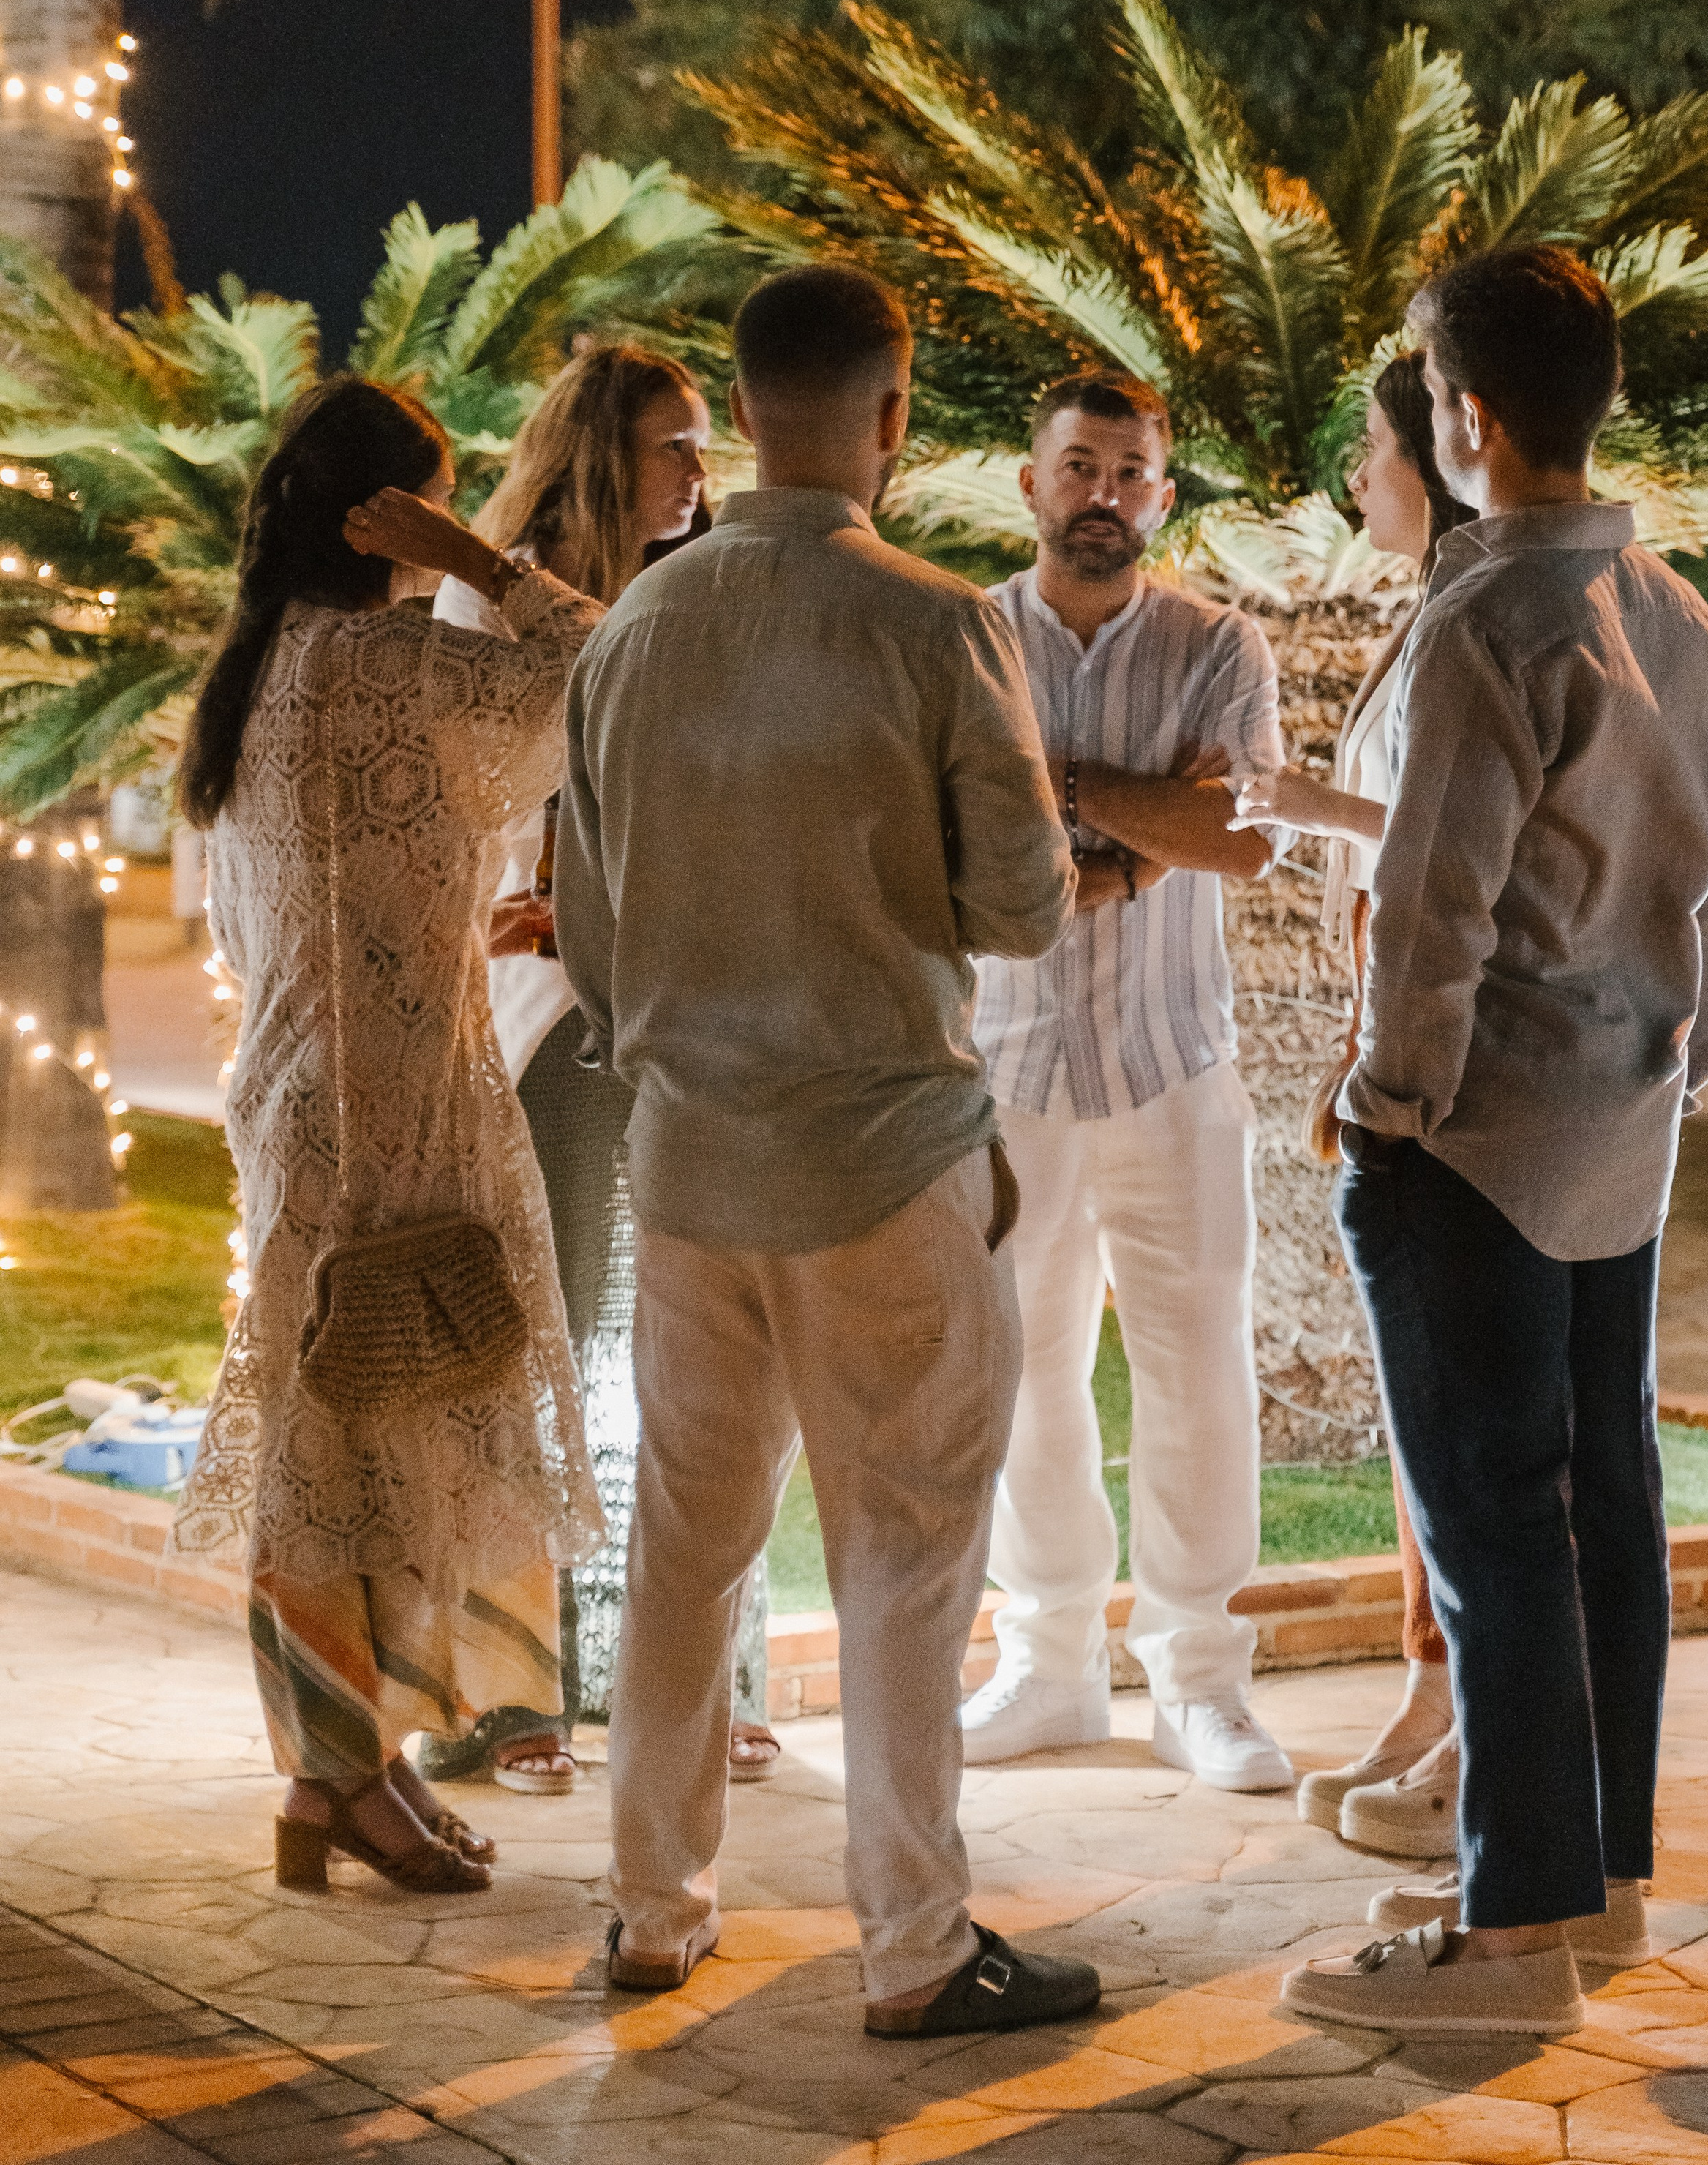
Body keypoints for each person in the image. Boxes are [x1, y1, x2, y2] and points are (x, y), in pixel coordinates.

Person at [556, 263, 1101, 2037]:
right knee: (905, 1553)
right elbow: (1022, 904)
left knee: (685, 1553)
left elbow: (584, 931)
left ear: (740, 402)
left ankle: (650, 1909)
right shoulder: (939, 620)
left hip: (691, 1162)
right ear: (891, 413)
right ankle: (917, 1943)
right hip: (881, 1156)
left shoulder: (631, 629)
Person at [1279, 247, 1708, 2041]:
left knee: (1488, 1526)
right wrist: (1673, 1046)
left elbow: (1432, 904)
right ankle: (1586, 1879)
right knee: (1600, 1511)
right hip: (1619, 1122)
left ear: (1463, 414)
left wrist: (1377, 1108)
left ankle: (1509, 1944)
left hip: (1476, 1136)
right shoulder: (1672, 610)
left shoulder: (1492, 620)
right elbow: (1691, 874)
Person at [170, 377, 606, 1896]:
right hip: (399, 1117)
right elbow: (597, 666)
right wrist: (485, 563)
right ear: (384, 513)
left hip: (301, 1110)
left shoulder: (258, 669)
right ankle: (346, 1783)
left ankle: (341, 1781)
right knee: (380, 1438)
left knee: (336, 1444)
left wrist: (427, 931)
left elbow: (280, 911)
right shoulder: (390, 661)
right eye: (433, 492)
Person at [429, 347, 780, 1787]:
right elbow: (456, 800)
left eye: (704, 449)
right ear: (593, 453)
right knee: (552, 1347)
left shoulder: (697, 597)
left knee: (704, 1357)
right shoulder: (489, 592)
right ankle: (507, 1697)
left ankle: (702, 1675)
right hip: (558, 1019)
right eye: (672, 449)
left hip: (691, 1012)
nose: (698, 478)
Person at [958, 370, 1295, 1793]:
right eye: (1078, 466)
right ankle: (1042, 1669)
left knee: (1195, 1365)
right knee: (1013, 1370)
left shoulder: (1221, 644)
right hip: (1005, 1061)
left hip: (1173, 1063)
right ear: (1031, 485)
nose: (1103, 493)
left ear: (1163, 495)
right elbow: (938, 823)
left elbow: (1245, 837)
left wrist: (1067, 789)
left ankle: (1197, 1682)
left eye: (1130, 471)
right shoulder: (961, 639)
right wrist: (1148, 812)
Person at [1235, 353, 1471, 1859]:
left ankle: (1465, 1713)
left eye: (1372, 449)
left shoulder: (1480, 622)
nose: (1353, 482)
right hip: (1386, 1026)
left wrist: (1311, 814)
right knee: (1419, 1406)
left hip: (1456, 1060)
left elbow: (1470, 839)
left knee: (1455, 1400)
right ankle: (1426, 1686)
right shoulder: (1423, 615)